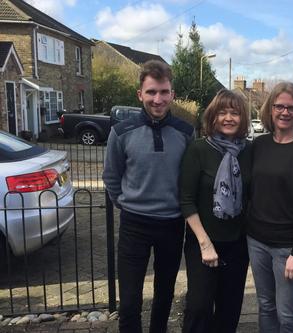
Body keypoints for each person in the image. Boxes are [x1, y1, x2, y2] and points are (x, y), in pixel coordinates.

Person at [102, 60, 195, 333]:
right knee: (130, 301)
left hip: (172, 225)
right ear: (140, 94)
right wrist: (129, 204)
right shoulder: (121, 133)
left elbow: (189, 179)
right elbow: (111, 177)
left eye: (164, 92)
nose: (158, 99)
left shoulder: (186, 132)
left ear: (172, 94)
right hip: (134, 226)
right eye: (152, 92)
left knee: (164, 295)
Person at [247, 82, 293, 333]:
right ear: (270, 109)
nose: (285, 112)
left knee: (288, 315)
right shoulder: (259, 145)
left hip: (287, 247)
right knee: (265, 306)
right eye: (279, 106)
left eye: (292, 107)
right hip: (256, 241)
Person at [179, 89, 252, 333]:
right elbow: (186, 200)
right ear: (213, 116)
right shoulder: (198, 149)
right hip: (203, 243)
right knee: (199, 307)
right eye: (223, 112)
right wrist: (204, 243)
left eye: (235, 113)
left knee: (229, 309)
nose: (229, 118)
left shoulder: (249, 151)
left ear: (243, 118)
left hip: (238, 244)